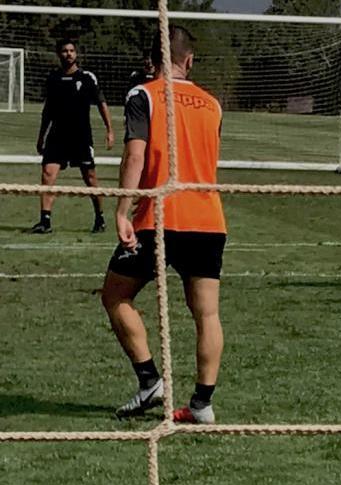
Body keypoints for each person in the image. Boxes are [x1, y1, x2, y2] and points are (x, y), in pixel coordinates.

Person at [101, 26, 226, 424]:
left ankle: (150, 380)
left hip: (159, 217)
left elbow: (135, 156)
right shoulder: (212, 104)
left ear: (150, 61)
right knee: (206, 314)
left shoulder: (144, 94)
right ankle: (203, 405)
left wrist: (122, 210)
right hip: (208, 219)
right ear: (188, 60)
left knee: (115, 296)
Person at [31, 37, 114, 235]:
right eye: (64, 51)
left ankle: (100, 217)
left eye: (71, 50)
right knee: (48, 175)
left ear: (76, 54)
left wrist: (109, 130)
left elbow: (102, 103)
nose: (68, 54)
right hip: (57, 137)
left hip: (81, 137)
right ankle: (45, 221)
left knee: (90, 178)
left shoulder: (86, 78)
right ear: (59, 54)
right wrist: (41, 136)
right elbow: (48, 110)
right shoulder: (52, 78)